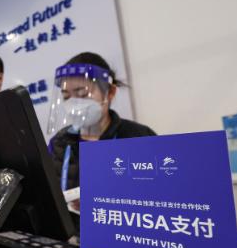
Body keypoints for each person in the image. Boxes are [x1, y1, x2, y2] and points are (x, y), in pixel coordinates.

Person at [47, 52, 156, 214]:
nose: (73, 103)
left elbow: (161, 196)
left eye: (82, 93)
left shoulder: (139, 137)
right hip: (73, 235)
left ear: (110, 92)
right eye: (66, 96)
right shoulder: (59, 143)